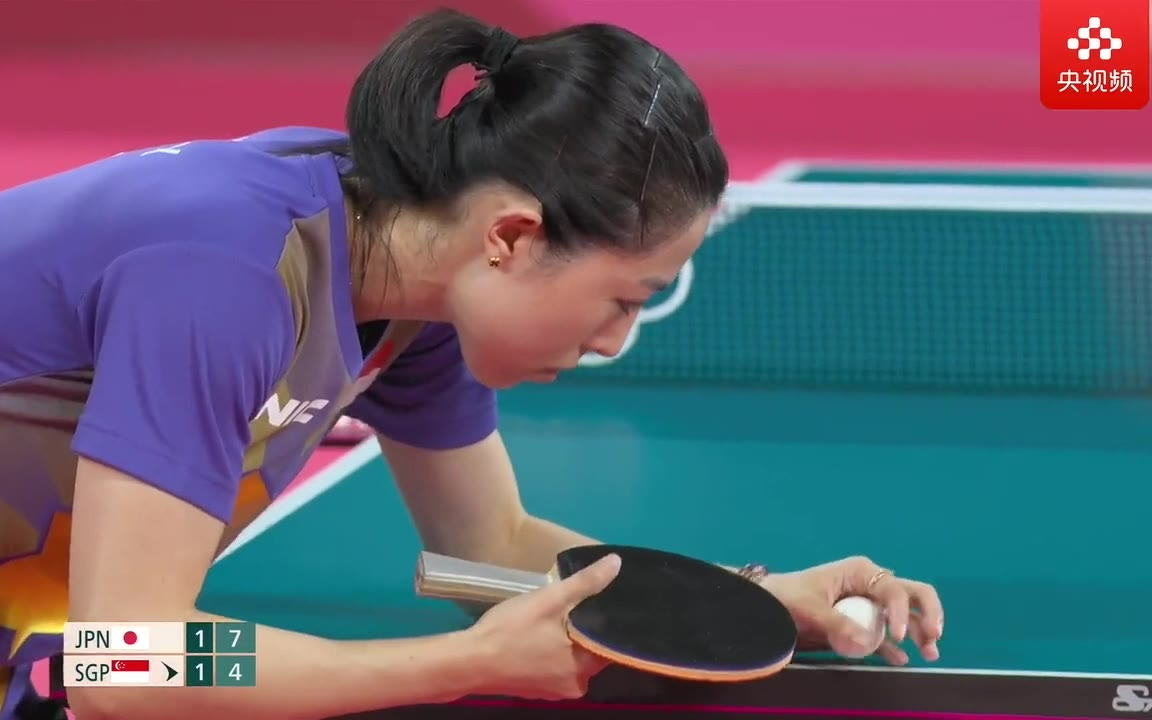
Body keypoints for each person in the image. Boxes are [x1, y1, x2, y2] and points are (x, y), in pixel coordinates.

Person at [0, 9, 944, 720]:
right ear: (512, 237)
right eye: (626, 298)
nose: (616, 340)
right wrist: (455, 668)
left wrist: (744, 601)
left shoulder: (412, 280)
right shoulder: (226, 275)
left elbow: (488, 546)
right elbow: (123, 661)